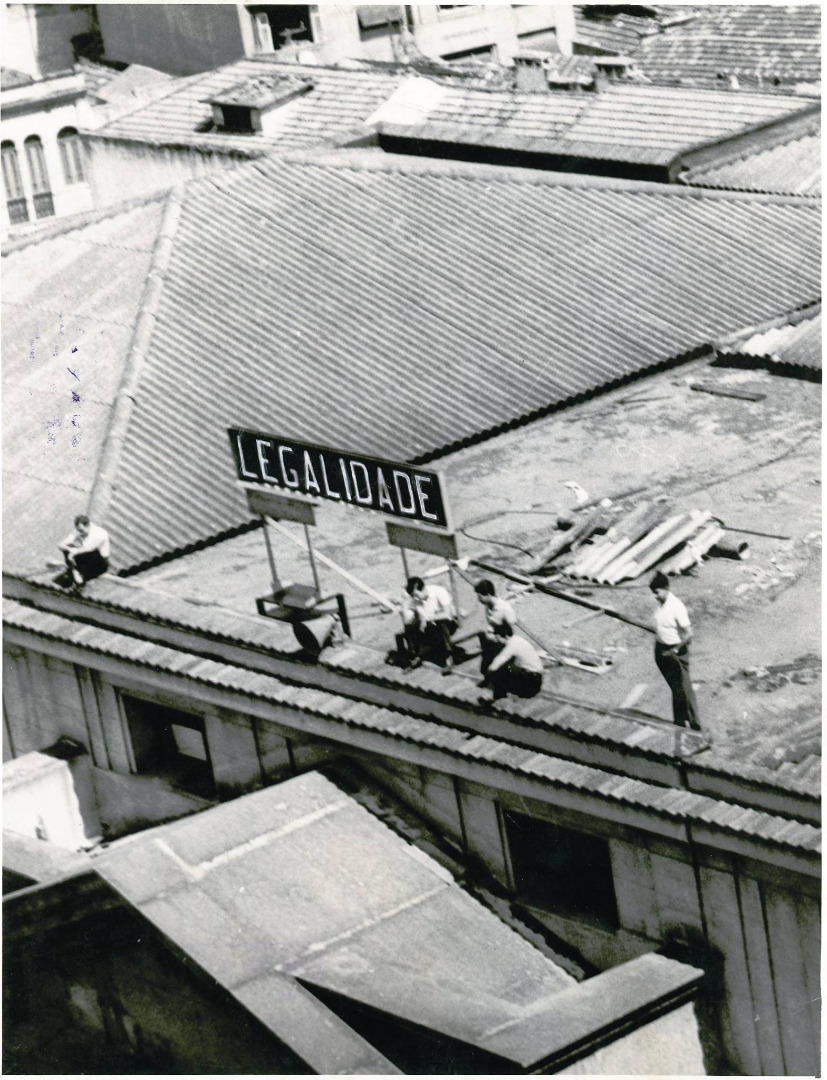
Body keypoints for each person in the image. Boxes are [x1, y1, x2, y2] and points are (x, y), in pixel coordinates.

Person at [649, 571, 700, 731]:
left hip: (676, 652)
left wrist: (676, 650)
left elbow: (689, 633)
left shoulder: (677, 606)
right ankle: (679, 722)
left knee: (685, 687)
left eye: (657, 592)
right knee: (675, 687)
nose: (655, 596)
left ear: (665, 588)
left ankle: (695, 724)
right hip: (661, 650)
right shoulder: (661, 605)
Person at [399, 576, 458, 671]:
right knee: (409, 625)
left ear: (423, 589)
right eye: (413, 596)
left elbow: (447, 614)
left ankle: (448, 657)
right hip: (431, 625)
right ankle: (418, 654)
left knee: (441, 622)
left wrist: (427, 619)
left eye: (416, 595)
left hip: (449, 623)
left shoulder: (439, 591)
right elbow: (412, 619)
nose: (415, 598)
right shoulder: (416, 600)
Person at [480, 624, 543, 702]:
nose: (497, 640)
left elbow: (496, 664)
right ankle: (497, 695)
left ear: (504, 636)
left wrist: (487, 674)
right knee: (508, 668)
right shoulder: (517, 639)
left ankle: (491, 696)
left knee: (501, 668)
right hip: (536, 679)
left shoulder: (512, 645)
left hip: (530, 682)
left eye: (498, 638)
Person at [473, 579, 517, 675]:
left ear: (488, 595)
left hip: (504, 638)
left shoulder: (502, 608)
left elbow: (509, 628)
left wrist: (496, 638)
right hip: (494, 636)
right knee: (486, 668)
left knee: (501, 669)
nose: (478, 599)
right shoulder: (489, 605)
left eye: (480, 596)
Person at [57, 515, 110, 588]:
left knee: (88, 551)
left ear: (87, 525)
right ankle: (75, 571)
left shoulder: (100, 533)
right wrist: (70, 549)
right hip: (86, 559)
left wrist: (74, 552)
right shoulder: (79, 530)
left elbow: (89, 548)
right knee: (70, 546)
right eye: (78, 530)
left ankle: (80, 577)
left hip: (100, 563)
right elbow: (60, 545)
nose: (80, 532)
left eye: (81, 530)